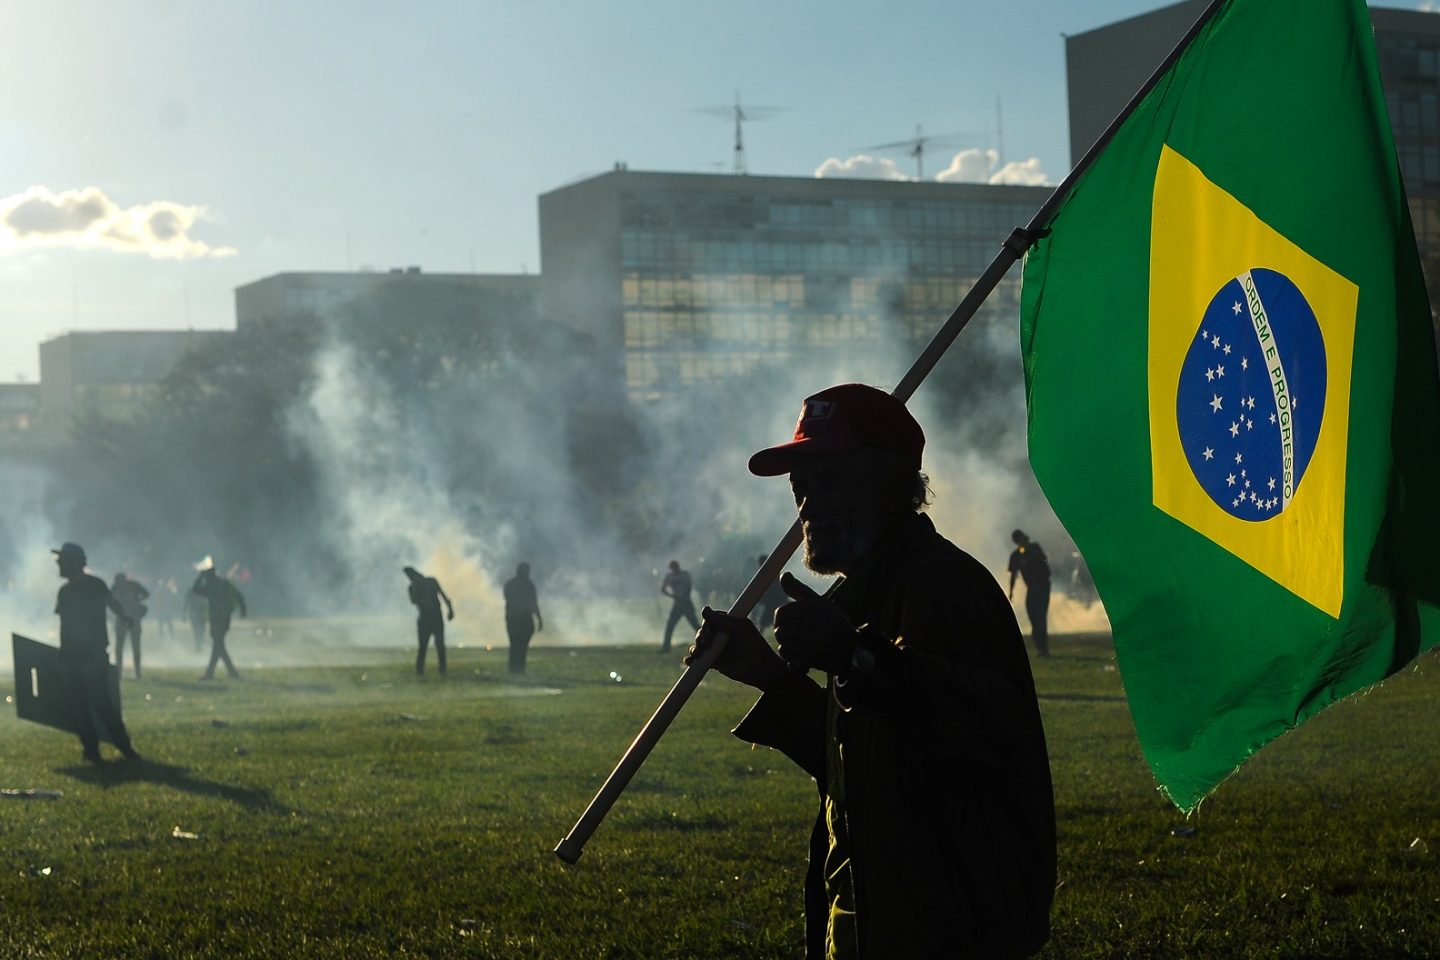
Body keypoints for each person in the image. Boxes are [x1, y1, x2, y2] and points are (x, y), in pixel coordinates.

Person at [688, 383, 1055, 959]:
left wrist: (856, 658)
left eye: (829, 482)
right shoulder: (860, 600)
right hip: (869, 924)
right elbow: (864, 762)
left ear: (889, 488)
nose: (807, 505)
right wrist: (769, 674)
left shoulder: (944, 587)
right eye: (800, 487)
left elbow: (981, 732)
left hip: (943, 929)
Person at [52, 543, 141, 763]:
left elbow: (114, 606)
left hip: (88, 656)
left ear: (74, 563)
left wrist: (125, 617)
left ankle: (121, 748)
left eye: (62, 561)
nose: (59, 565)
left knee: (97, 703)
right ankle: (93, 750)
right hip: (77, 657)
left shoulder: (86, 587)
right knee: (84, 706)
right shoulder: (75, 588)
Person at [190, 567, 246, 680]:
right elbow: (239, 596)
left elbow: (195, 590)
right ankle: (231, 672)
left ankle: (210, 673)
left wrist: (199, 578)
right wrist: (243, 610)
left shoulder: (210, 586)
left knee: (217, 645)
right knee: (219, 646)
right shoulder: (223, 584)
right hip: (221, 619)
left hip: (218, 619)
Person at [1008, 529, 1052, 658]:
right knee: (1033, 617)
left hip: (1043, 585)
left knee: (1040, 617)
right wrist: (1011, 591)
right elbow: (1013, 574)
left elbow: (1044, 559)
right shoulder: (1016, 555)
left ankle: (1043, 648)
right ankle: (1040, 647)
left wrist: (1030, 550)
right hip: (1031, 588)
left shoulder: (1035, 547)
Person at [404, 566, 454, 675]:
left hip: (430, 617)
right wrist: (450, 610)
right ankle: (428, 670)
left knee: (434, 645)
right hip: (430, 617)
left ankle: (438, 670)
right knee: (427, 646)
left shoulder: (420, 585)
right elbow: (415, 600)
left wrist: (450, 610)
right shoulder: (424, 584)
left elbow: (443, 596)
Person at [503, 562, 543, 674]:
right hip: (525, 618)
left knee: (514, 643)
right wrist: (539, 619)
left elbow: (506, 597)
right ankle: (519, 668)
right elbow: (534, 603)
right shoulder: (529, 585)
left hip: (512, 617)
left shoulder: (510, 584)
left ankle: (513, 668)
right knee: (522, 645)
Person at [109, 572, 150, 679]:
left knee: (120, 646)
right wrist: (137, 601)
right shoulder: (133, 585)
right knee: (134, 646)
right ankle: (136, 671)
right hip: (132, 617)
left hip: (122, 618)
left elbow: (110, 601)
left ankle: (120, 671)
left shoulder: (116, 587)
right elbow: (146, 594)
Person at [659, 559, 699, 653]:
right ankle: (666, 647)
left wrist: (683, 597)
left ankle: (704, 642)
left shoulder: (685, 574)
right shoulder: (669, 577)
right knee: (670, 626)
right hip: (678, 604)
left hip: (686, 603)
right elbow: (663, 589)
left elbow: (689, 587)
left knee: (695, 625)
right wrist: (673, 596)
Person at [753, 553, 788, 637]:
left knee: (769, 622)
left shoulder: (772, 573)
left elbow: (778, 588)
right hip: (773, 602)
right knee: (764, 622)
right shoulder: (766, 574)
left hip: (776, 601)